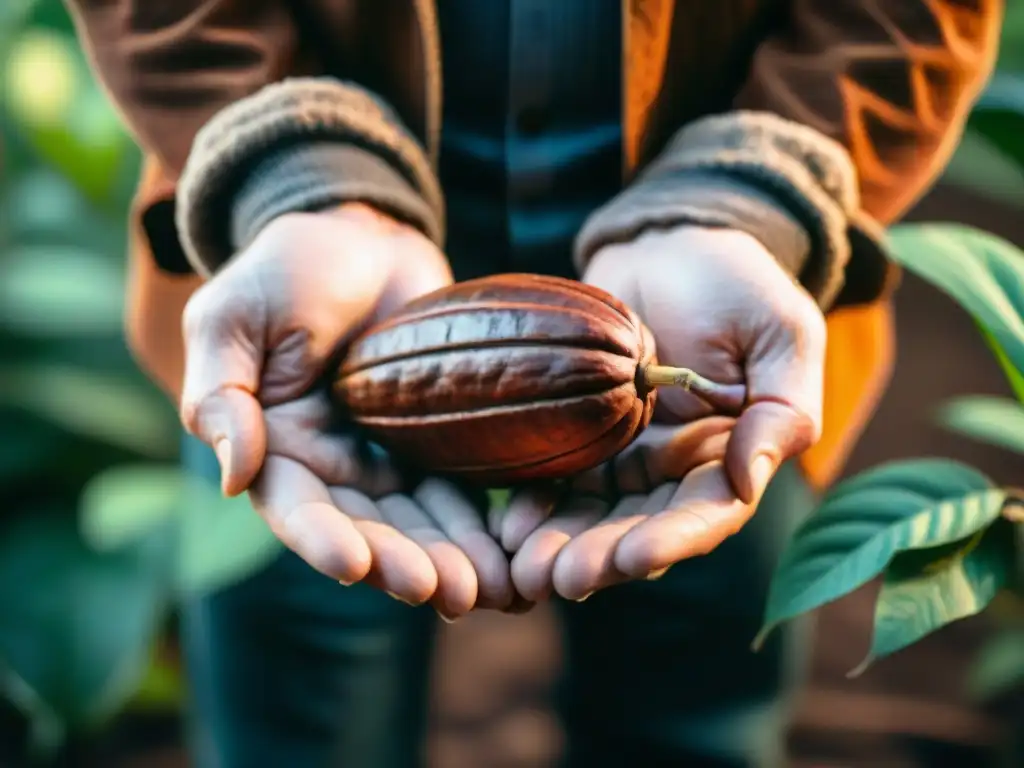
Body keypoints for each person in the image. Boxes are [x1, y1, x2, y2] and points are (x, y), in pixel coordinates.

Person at [67, 1, 1002, 766]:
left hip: (713, 319)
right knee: (300, 707)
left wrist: (753, 194)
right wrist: (291, 168)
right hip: (308, 293)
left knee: (691, 713)